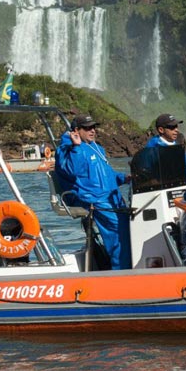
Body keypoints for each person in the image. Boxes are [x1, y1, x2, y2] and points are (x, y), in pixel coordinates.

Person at [56, 113, 131, 269]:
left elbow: (106, 175)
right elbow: (72, 171)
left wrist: (125, 178)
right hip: (91, 199)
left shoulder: (96, 147)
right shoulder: (67, 148)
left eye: (94, 127)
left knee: (133, 223)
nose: (92, 131)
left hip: (110, 197)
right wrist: (76, 146)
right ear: (76, 130)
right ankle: (121, 273)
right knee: (118, 231)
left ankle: (129, 266)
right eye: (88, 128)